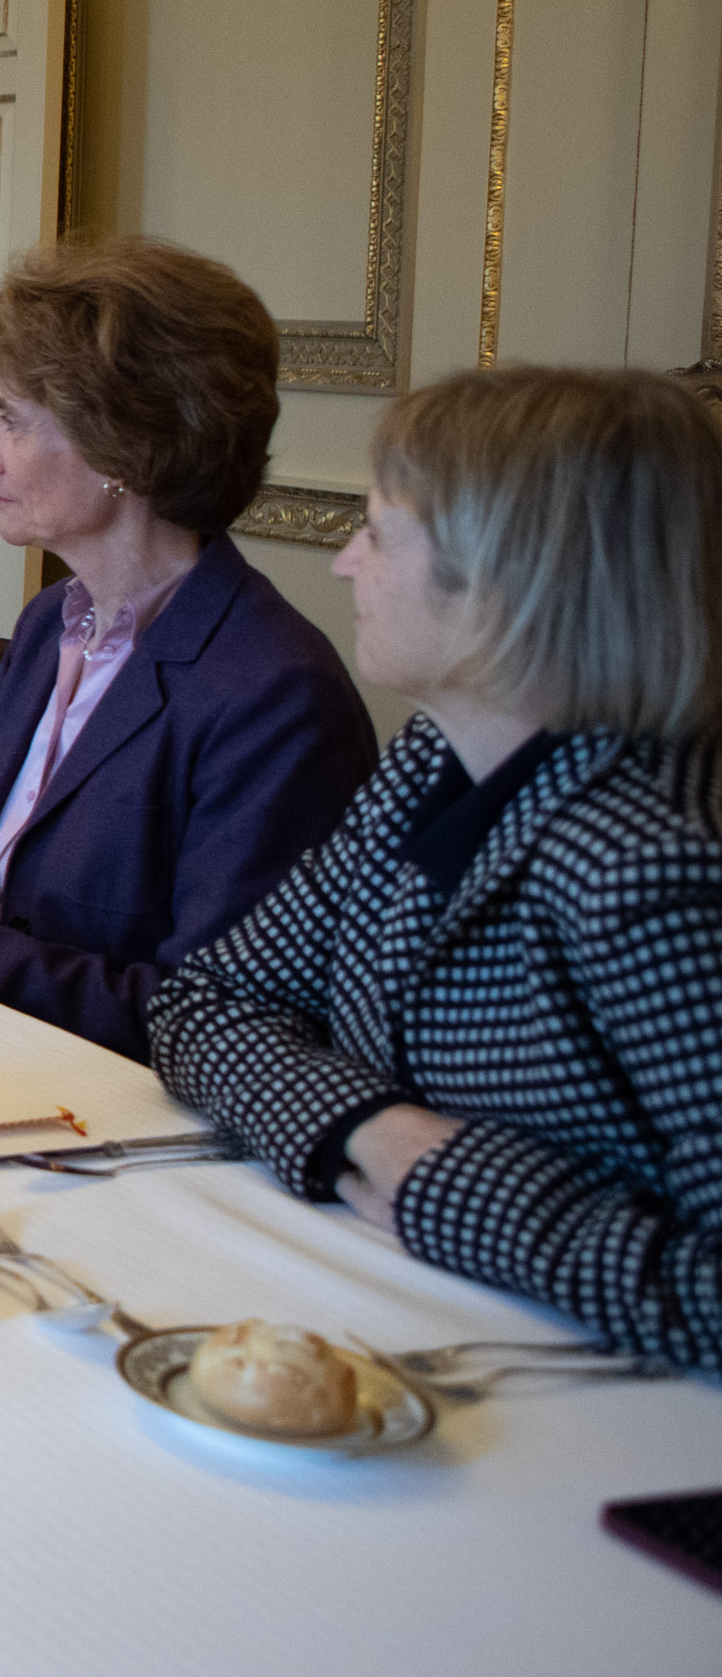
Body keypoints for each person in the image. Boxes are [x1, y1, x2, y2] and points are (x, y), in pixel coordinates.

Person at [152, 367, 722, 1371]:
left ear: (504, 578)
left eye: (377, 533)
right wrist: (371, 1125)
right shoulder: (433, 761)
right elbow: (202, 1000)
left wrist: (455, 1186)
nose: (343, 564)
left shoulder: (656, 868)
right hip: (394, 1318)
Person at [0, 241, 375, 1057]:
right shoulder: (53, 620)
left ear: (120, 448)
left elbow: (215, 1019)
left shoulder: (274, 697)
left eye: (12, 422)